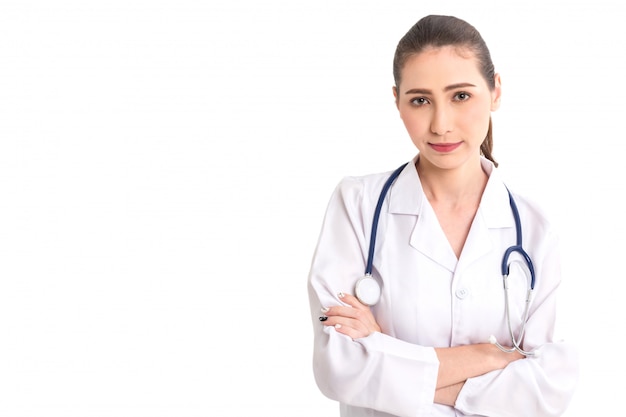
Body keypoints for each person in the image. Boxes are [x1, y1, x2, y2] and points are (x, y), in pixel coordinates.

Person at [307, 14, 578, 417]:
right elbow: (339, 369)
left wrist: (385, 355)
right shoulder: (358, 205)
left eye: (461, 96)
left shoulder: (535, 228)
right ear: (398, 102)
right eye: (420, 100)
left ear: (495, 91)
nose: (441, 124)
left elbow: (550, 388)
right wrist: (491, 357)